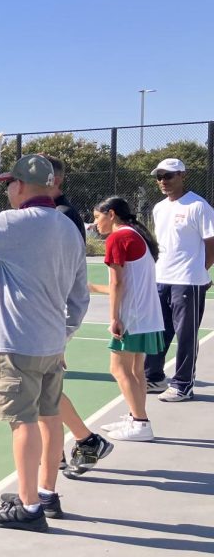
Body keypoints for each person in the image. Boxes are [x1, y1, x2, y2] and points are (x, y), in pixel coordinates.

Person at [0, 155, 89, 531]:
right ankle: (45, 494)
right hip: (51, 344)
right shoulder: (69, 228)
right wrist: (64, 334)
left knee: (21, 423)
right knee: (50, 417)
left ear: (22, 186)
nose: (7, 188)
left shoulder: (14, 223)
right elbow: (80, 297)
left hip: (15, 344)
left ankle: (28, 508)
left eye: (10, 182)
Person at [41, 155, 114, 476]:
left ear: (53, 181)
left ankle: (85, 439)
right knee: (46, 389)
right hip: (49, 314)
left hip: (52, 314)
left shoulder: (62, 215)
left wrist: (60, 330)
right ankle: (63, 450)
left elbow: (62, 271)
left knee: (45, 390)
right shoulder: (56, 213)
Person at [88, 197, 165, 443]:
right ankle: (136, 417)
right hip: (146, 314)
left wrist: (114, 318)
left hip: (132, 315)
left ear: (111, 214)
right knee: (135, 370)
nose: (95, 223)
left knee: (118, 369)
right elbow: (123, 284)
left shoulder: (118, 237)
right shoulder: (136, 235)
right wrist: (91, 288)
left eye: (97, 217)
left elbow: (118, 282)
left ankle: (141, 424)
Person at [143, 157, 214, 402]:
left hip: (188, 281)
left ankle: (183, 384)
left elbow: (211, 242)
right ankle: (153, 377)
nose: (163, 181)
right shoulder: (159, 208)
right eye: (159, 177)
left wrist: (201, 271)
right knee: (156, 331)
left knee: (185, 334)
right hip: (161, 279)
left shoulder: (198, 205)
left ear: (182, 176)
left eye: (169, 176)